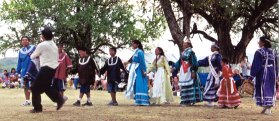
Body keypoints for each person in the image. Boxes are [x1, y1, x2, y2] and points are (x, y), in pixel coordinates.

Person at [30, 28, 65, 113]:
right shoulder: (54, 45)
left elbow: (33, 56)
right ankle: (59, 99)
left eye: (41, 35)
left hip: (45, 68)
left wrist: (33, 55)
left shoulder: (42, 45)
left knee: (34, 88)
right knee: (46, 87)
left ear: (43, 36)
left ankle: (37, 108)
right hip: (53, 68)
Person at [248, 36, 278, 115]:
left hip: (263, 73)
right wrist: (277, 75)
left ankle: (268, 108)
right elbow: (276, 65)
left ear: (263, 42)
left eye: (259, 41)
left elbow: (256, 65)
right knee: (270, 88)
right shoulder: (273, 52)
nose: (258, 43)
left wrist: (251, 76)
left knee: (264, 88)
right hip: (272, 73)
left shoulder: (259, 52)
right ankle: (268, 107)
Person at [173, 38, 203, 106]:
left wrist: (193, 71)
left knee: (190, 84)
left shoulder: (191, 52)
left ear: (188, 44)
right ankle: (185, 100)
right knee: (184, 85)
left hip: (189, 70)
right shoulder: (183, 52)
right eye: (183, 44)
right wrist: (174, 67)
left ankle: (190, 100)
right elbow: (180, 61)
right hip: (183, 70)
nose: (183, 45)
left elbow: (194, 62)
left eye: (185, 44)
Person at [125, 40, 150, 106]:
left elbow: (142, 62)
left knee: (140, 83)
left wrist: (144, 71)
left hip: (138, 69)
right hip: (134, 69)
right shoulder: (135, 52)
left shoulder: (140, 52)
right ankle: (138, 100)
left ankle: (142, 100)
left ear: (137, 44)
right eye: (132, 44)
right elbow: (131, 60)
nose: (132, 45)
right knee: (135, 83)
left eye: (133, 44)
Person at [16, 36, 36, 106]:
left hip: (33, 70)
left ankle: (35, 101)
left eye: (26, 40)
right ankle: (27, 101)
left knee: (33, 85)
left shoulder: (33, 48)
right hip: (24, 70)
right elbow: (19, 61)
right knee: (25, 86)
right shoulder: (21, 51)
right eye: (23, 40)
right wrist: (18, 71)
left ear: (29, 41)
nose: (24, 41)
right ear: (21, 42)